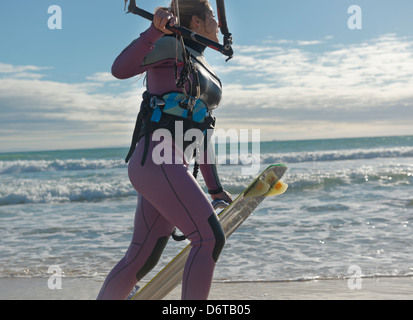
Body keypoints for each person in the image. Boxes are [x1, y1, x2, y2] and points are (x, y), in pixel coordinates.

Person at [97, 0, 232, 300]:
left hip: (171, 167)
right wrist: (153, 31)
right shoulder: (170, 47)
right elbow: (119, 69)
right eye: (212, 16)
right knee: (208, 239)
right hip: (156, 161)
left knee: (141, 260)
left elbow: (200, 133)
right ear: (195, 22)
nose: (219, 23)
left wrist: (215, 188)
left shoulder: (203, 64)